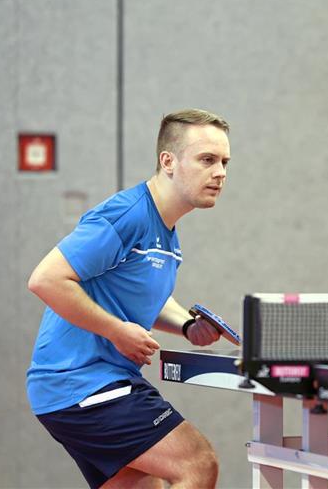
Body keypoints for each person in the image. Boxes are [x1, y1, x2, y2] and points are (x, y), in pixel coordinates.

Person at [26, 109, 232, 489]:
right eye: (207, 159)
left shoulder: (166, 231)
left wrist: (186, 325)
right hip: (81, 381)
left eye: (224, 162)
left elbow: (142, 297)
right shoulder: (126, 215)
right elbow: (46, 279)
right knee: (198, 464)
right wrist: (119, 331)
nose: (220, 172)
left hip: (90, 385)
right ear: (167, 161)